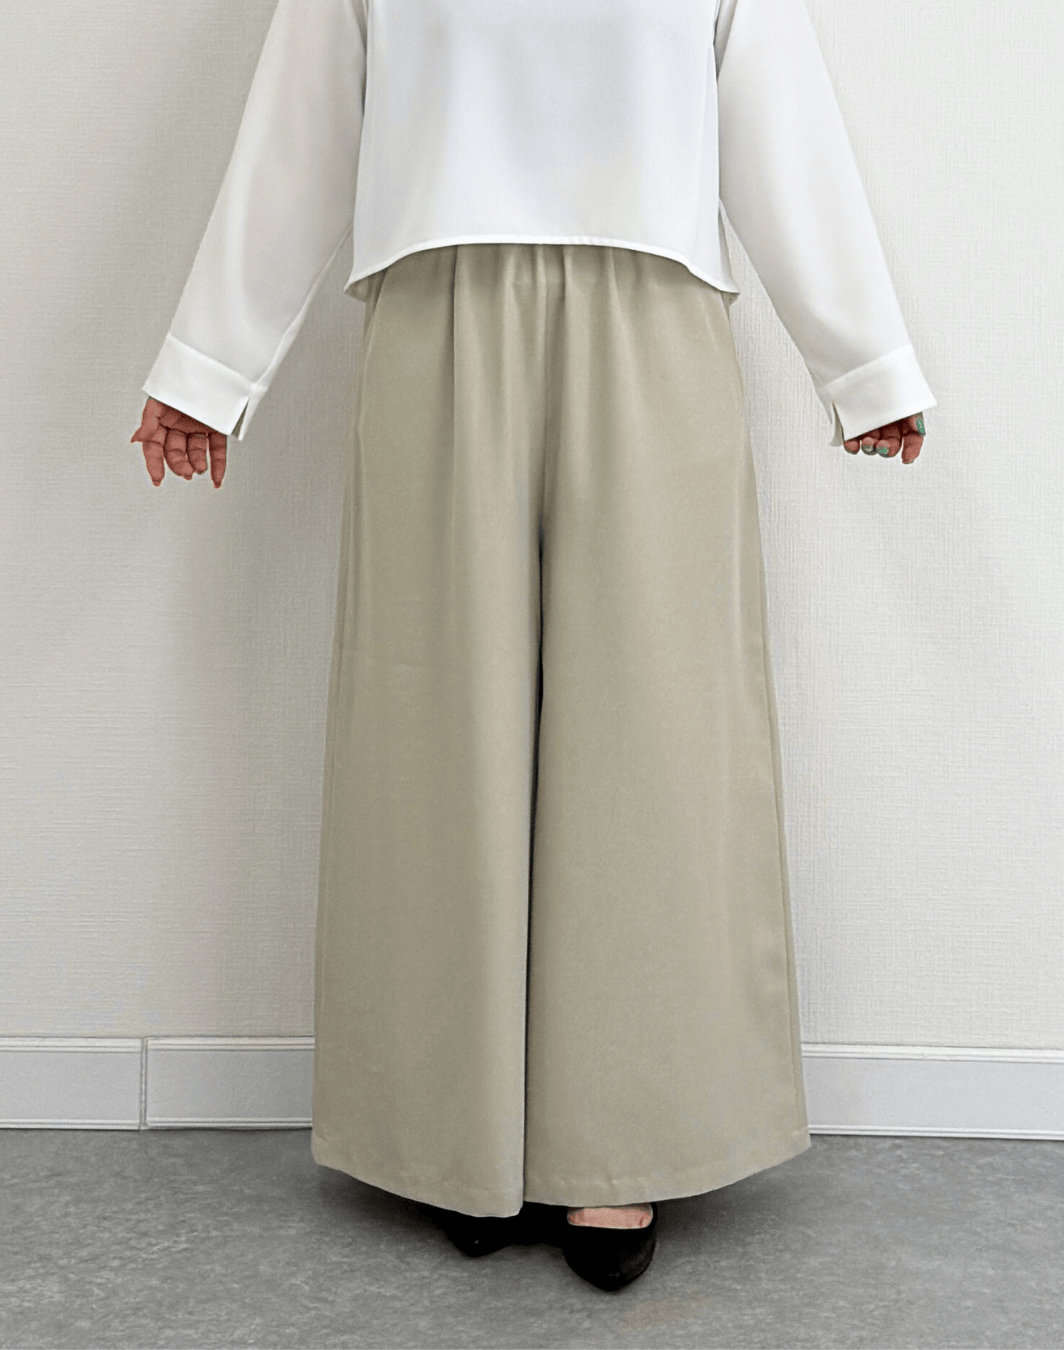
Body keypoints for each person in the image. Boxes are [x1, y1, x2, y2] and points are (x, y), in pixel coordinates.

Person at [131, 0, 936, 1293]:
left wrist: (863, 362)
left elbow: (778, 114)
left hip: (656, 308)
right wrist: (207, 369)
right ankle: (458, 1133)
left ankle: (621, 1141)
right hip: (436, 308)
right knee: (435, 724)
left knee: (653, 730)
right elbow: (301, 120)